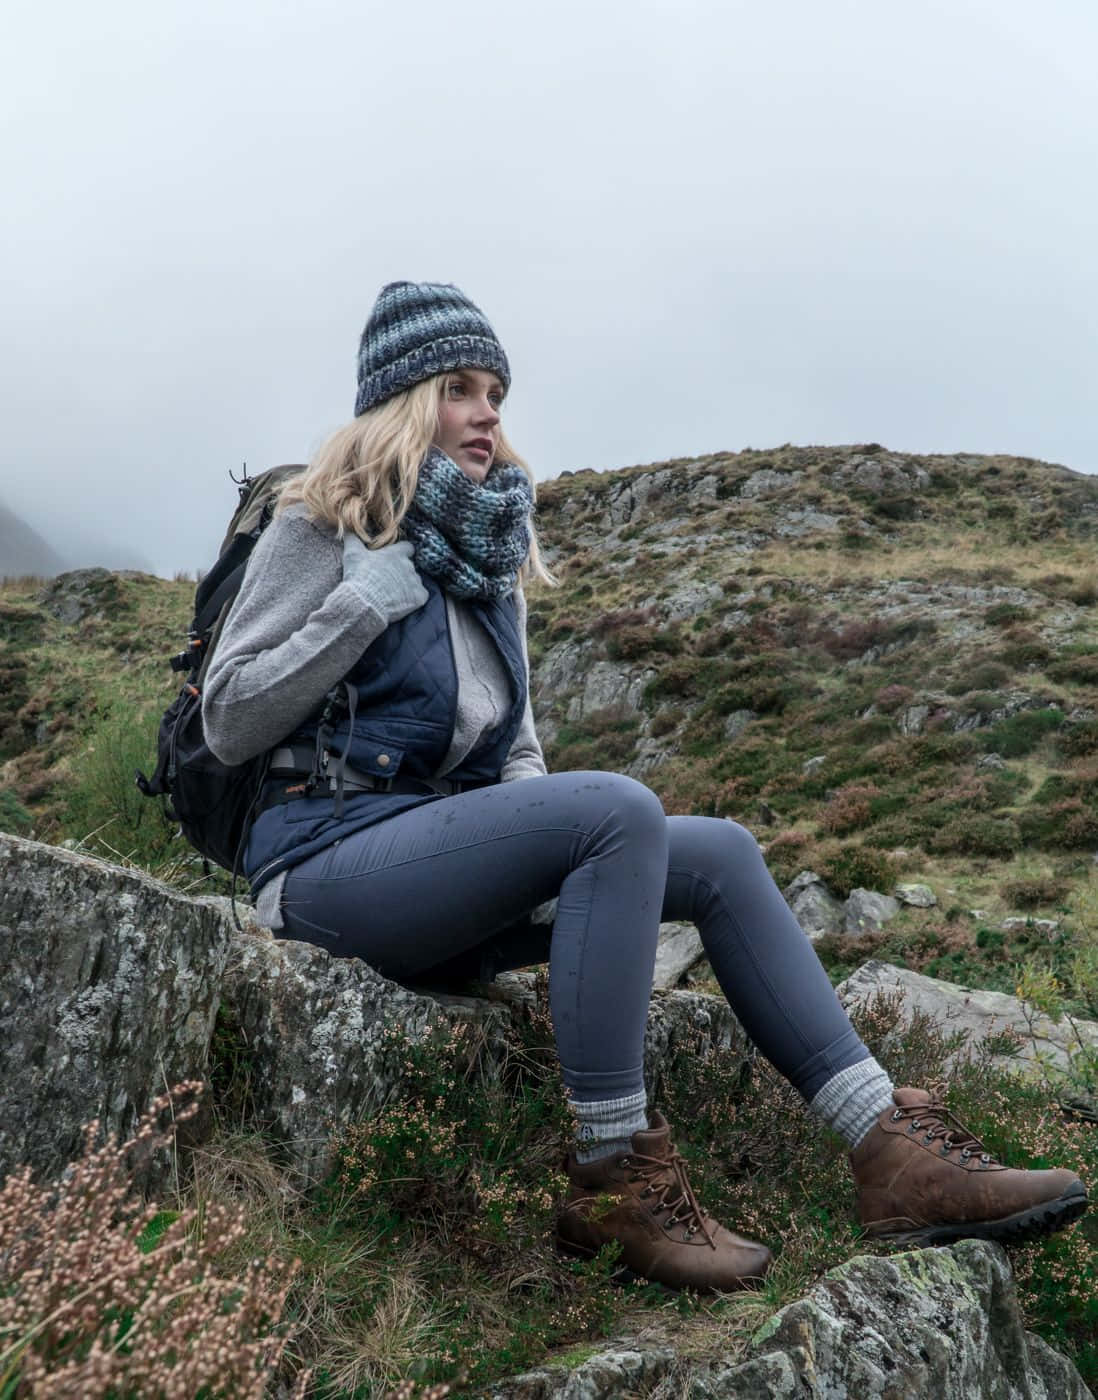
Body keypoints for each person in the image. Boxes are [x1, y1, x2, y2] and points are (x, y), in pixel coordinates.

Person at [203, 281, 1087, 1291]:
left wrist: (555, 872)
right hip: (321, 867)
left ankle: (889, 1151)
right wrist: (355, 609)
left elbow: (518, 764)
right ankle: (613, 1178)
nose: (490, 410)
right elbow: (229, 717)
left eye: (496, 388)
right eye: (461, 387)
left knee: (714, 850)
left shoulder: (488, 557)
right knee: (618, 808)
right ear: (404, 402)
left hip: (433, 868)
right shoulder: (318, 529)